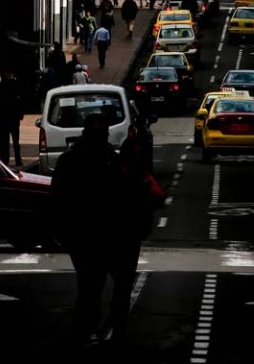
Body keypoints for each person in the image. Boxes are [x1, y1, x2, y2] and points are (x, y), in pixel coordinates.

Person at [50, 114, 160, 346]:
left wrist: (63, 234)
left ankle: (86, 332)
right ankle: (111, 332)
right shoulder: (113, 162)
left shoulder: (70, 161)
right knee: (113, 289)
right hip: (110, 236)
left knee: (90, 287)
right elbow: (136, 199)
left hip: (89, 236)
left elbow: (58, 201)